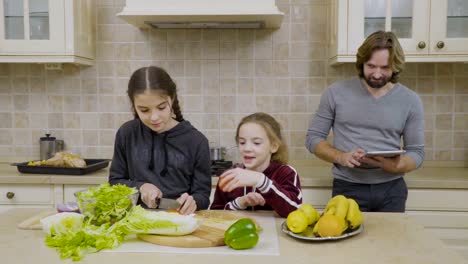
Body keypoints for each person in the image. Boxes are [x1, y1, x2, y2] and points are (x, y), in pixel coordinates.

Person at [306, 31, 425, 212]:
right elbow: (313, 138)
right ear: (361, 63)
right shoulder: (335, 93)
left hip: (392, 189)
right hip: (347, 187)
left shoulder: (410, 100)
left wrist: (397, 165)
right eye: (371, 66)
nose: (377, 74)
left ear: (395, 67)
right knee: (348, 241)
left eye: (385, 68)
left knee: (391, 241)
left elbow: (417, 152)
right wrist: (341, 157)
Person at [109, 66, 211, 215]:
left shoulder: (197, 141)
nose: (154, 117)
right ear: (134, 106)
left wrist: (193, 201)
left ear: (172, 98)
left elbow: (203, 196)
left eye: (161, 107)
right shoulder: (127, 133)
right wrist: (141, 186)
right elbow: (114, 182)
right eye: (144, 110)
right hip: (136, 221)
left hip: (179, 221)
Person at [210, 112, 302, 217]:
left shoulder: (286, 173)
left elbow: (295, 211)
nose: (247, 148)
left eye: (256, 143)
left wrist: (261, 181)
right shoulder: (229, 176)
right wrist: (239, 203)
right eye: (242, 142)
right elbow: (214, 215)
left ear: (274, 146)